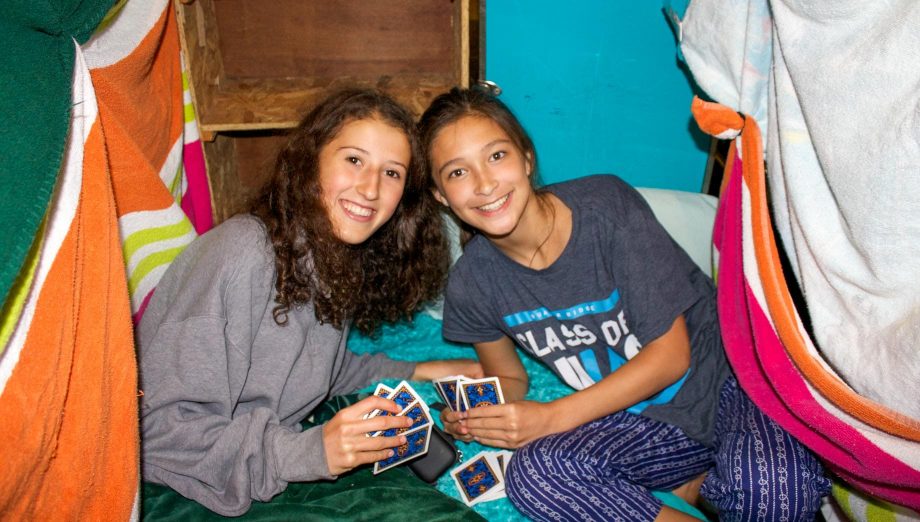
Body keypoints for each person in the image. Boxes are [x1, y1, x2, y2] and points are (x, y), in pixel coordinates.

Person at [418, 87, 830, 522]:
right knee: (536, 474)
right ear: (441, 195)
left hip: (727, 381)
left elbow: (672, 358)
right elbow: (507, 376)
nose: (484, 184)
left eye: (496, 156)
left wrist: (551, 417)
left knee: (777, 489)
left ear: (526, 157)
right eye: (458, 173)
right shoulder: (472, 283)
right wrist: (485, 415)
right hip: (647, 424)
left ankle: (711, 481)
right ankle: (702, 484)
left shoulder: (606, 209)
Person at [138, 88, 481, 516]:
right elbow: (154, 432)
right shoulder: (244, 251)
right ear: (310, 161)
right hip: (188, 485)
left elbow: (314, 370)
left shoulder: (332, 256)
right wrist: (310, 453)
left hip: (271, 454)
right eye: (354, 160)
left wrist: (422, 369)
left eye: (392, 173)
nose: (371, 188)